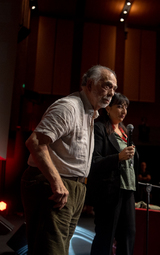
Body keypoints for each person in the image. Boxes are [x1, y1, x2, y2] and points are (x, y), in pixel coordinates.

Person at [21, 65, 117, 255]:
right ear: (89, 84)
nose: (112, 93)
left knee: (60, 250)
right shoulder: (69, 107)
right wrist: (56, 182)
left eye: (114, 88)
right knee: (49, 250)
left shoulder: (89, 113)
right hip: (53, 185)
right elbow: (35, 142)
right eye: (107, 86)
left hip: (74, 188)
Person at [87, 93, 138, 255]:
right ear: (108, 108)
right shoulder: (100, 128)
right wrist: (118, 157)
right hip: (109, 192)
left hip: (127, 189)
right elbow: (94, 161)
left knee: (128, 235)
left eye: (126, 107)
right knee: (106, 236)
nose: (124, 111)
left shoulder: (124, 131)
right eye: (120, 106)